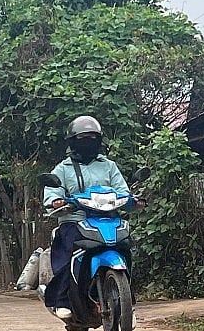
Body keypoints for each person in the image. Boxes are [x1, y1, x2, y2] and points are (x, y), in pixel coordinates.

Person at [42, 115, 142, 320]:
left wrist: (134, 200)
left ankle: (126, 302)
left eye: (93, 138)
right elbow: (52, 192)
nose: (88, 142)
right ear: (72, 142)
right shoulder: (63, 169)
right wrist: (56, 201)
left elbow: (122, 191)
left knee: (125, 246)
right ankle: (62, 300)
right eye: (82, 138)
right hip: (75, 219)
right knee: (69, 250)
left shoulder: (108, 166)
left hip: (108, 218)